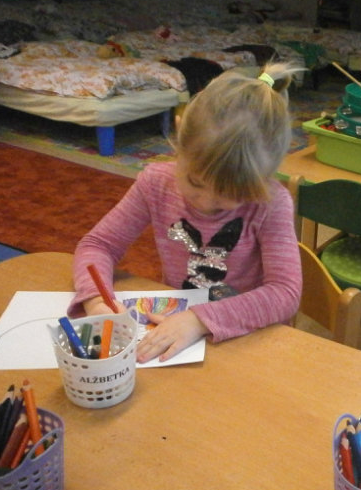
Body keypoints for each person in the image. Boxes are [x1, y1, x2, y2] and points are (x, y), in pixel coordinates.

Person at [69, 61, 304, 363]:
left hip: (248, 341)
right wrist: (95, 300)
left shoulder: (272, 203)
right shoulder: (156, 183)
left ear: (266, 175)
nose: (205, 202)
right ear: (180, 133)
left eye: (230, 195)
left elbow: (285, 293)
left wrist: (199, 320)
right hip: (176, 333)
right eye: (195, 182)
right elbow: (98, 245)